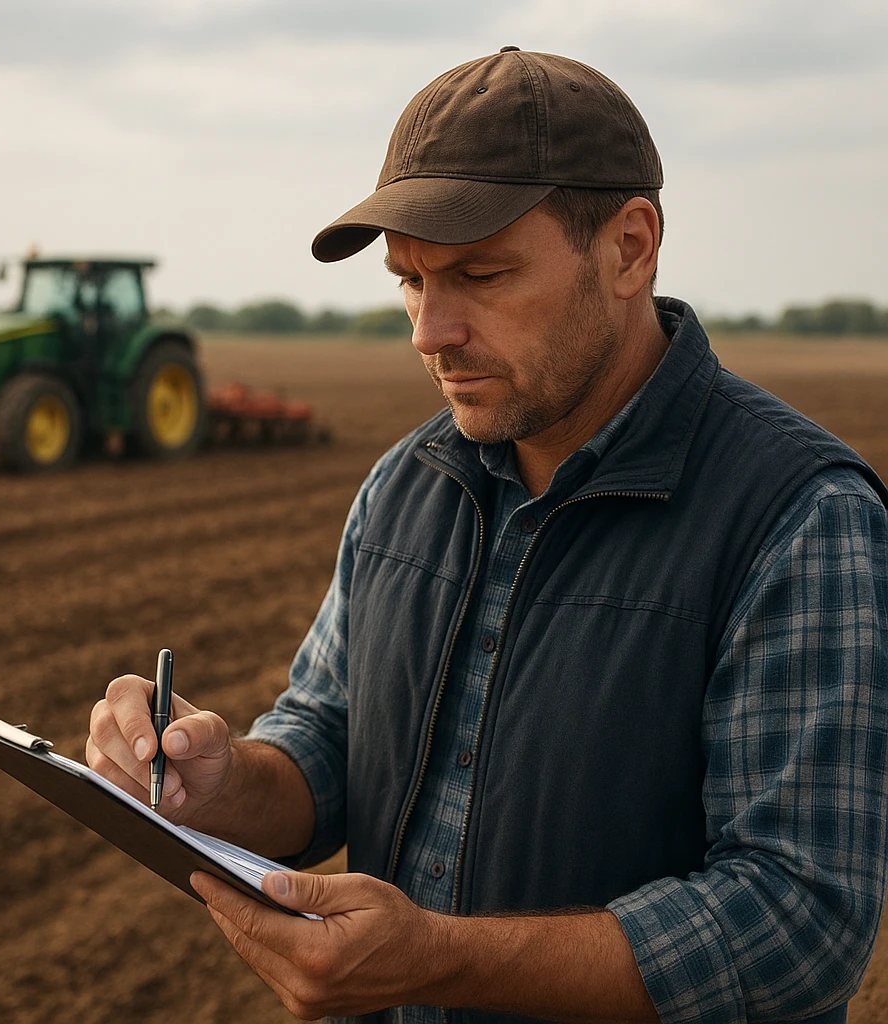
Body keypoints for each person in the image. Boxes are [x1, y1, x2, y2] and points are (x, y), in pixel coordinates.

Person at [86, 48, 888, 1024]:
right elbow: (327, 740)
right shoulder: (405, 485)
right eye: (411, 281)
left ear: (629, 247)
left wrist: (442, 962)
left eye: (480, 274)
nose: (429, 331)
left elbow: (800, 920)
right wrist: (219, 784)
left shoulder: (799, 515)